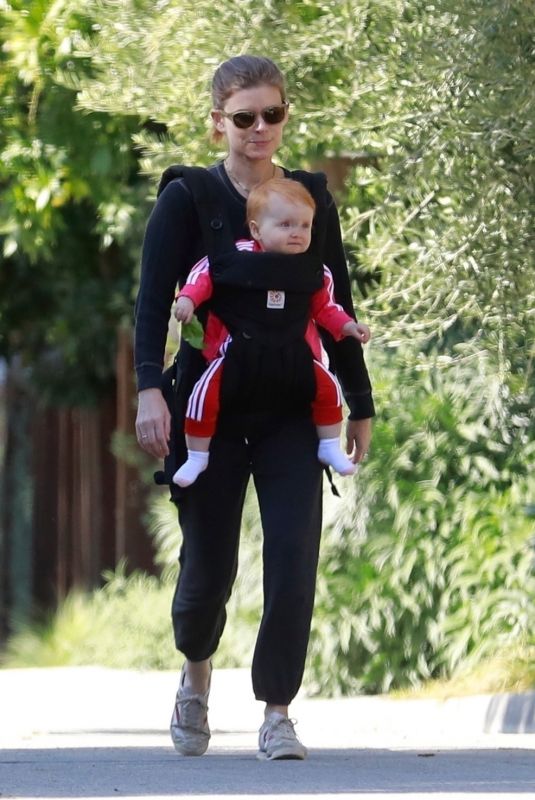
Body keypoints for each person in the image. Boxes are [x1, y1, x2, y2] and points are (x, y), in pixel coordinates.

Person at [134, 55, 374, 761]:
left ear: (284, 117)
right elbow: (154, 302)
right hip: (209, 407)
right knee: (208, 568)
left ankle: (277, 712)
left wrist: (357, 400)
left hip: (293, 411)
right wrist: (151, 387)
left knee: (294, 555)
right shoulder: (189, 200)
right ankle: (196, 672)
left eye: (272, 114)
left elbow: (337, 302)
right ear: (219, 123)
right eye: (244, 117)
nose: (259, 129)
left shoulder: (304, 201)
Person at [172, 177, 371, 488]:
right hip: (236, 356)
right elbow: (204, 276)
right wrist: (186, 299)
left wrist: (347, 326)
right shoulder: (236, 255)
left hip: (295, 358)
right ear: (256, 229)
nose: (297, 233)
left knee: (328, 388)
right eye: (286, 225)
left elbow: (326, 307)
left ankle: (329, 445)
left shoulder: (312, 269)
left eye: (305, 226)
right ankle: (197, 455)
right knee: (202, 394)